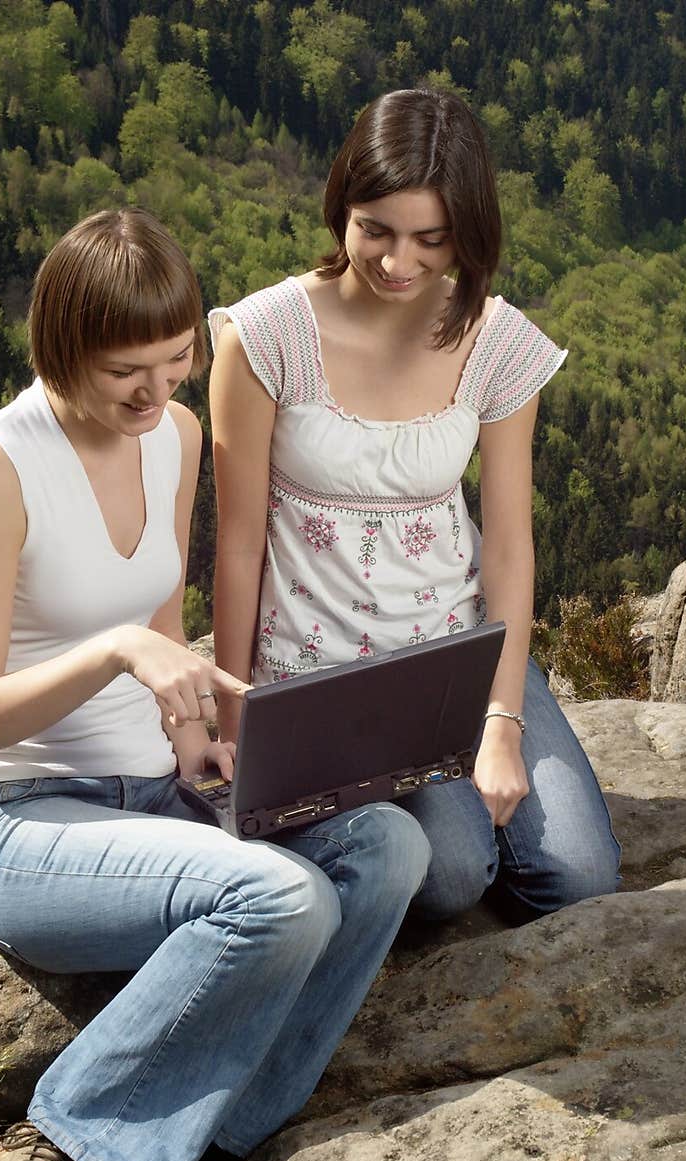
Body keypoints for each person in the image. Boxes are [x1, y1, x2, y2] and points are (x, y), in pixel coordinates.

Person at [0, 207, 427, 1161]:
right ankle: (56, 1136)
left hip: (154, 784)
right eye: (127, 373)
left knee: (387, 842)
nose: (158, 393)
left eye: (178, 359)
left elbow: (163, 614)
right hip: (16, 812)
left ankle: (212, 1133)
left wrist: (196, 734)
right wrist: (115, 652)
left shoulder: (177, 436)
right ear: (59, 351)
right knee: (278, 896)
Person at [208, 87, 620, 927]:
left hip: (460, 653)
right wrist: (235, 714)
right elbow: (239, 542)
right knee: (450, 877)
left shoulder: (497, 342)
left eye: (432, 240)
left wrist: (501, 719)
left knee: (579, 881)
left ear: (468, 232)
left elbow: (507, 545)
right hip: (324, 671)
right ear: (341, 210)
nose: (399, 262)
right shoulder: (264, 336)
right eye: (376, 230)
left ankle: (476, 777)